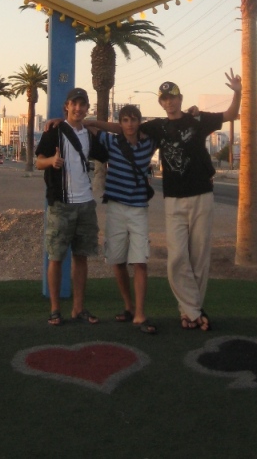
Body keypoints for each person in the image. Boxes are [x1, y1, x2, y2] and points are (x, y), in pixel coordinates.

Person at [138, 70, 241, 331]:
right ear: (161, 102)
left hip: (202, 195)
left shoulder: (198, 119)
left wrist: (237, 92)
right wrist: (88, 124)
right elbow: (124, 127)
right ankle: (196, 311)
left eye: (172, 97)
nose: (169, 102)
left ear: (180, 98)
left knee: (199, 258)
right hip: (174, 199)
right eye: (164, 98)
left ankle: (187, 312)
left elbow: (230, 114)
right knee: (176, 258)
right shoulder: (157, 126)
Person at [35, 87, 108, 327]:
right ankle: (55, 309)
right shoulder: (53, 132)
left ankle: (78, 308)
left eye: (82, 104)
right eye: (74, 104)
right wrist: (51, 161)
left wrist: (94, 125)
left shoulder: (89, 135)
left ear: (87, 108)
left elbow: (107, 152)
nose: (78, 108)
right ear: (66, 106)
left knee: (81, 257)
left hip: (86, 205)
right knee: (56, 257)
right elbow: (38, 162)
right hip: (61, 205)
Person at [92, 104, 158, 335]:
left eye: (134, 119)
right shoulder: (111, 142)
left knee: (140, 261)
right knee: (117, 259)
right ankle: (129, 306)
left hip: (138, 208)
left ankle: (140, 313)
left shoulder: (149, 143)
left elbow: (165, 128)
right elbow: (87, 127)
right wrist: (89, 121)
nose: (130, 124)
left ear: (139, 122)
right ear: (120, 123)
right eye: (125, 120)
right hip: (116, 207)